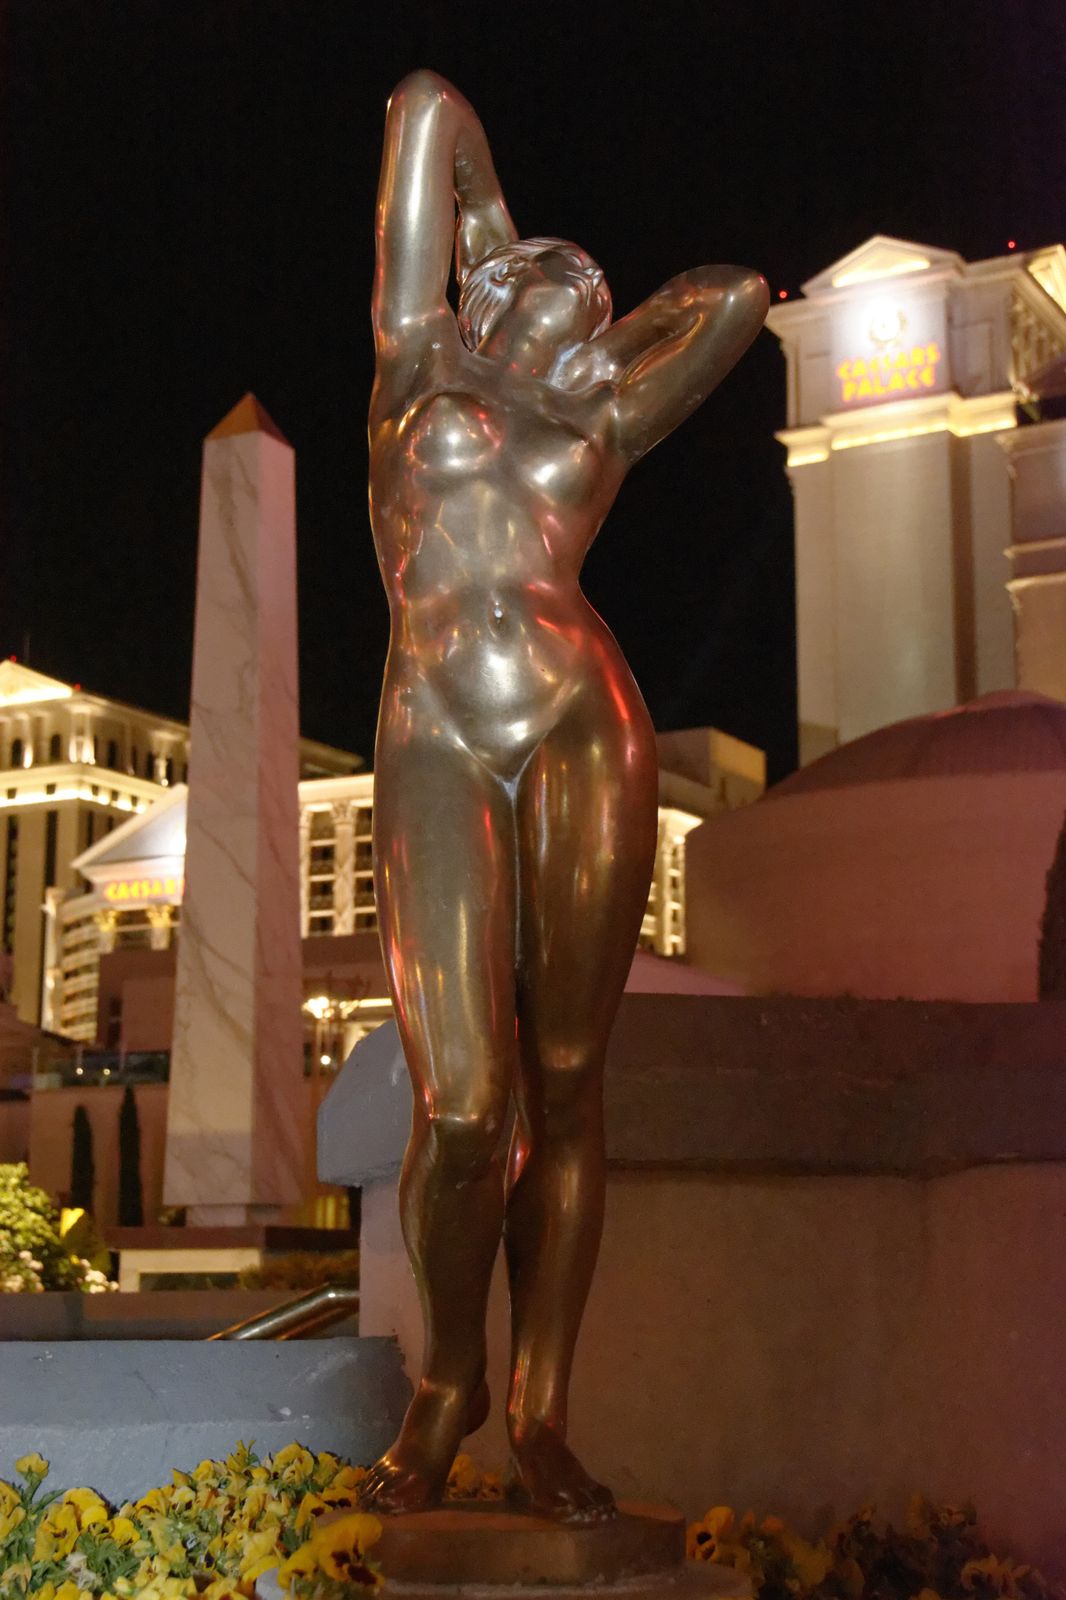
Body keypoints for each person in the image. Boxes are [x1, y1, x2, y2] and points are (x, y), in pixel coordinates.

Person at [363, 69, 767, 1522]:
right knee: (467, 1105)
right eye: (557, 273)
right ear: (484, 285)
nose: (578, 289)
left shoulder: (603, 407)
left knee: (572, 1080)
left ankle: (541, 1410)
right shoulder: (414, 355)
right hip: (436, 729)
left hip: (585, 722)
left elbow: (731, 299)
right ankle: (447, 1382)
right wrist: (495, 239)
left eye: (592, 287)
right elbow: (424, 108)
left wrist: (596, 343)